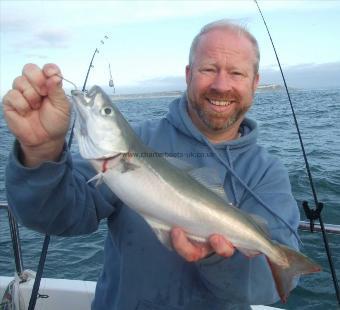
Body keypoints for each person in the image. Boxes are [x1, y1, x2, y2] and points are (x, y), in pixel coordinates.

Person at [3, 20, 300, 309]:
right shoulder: (140, 140)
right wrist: (42, 152)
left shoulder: (267, 172)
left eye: (236, 73)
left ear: (255, 82)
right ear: (188, 75)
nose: (221, 85)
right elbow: (57, 216)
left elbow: (267, 287)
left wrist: (217, 257)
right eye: (208, 69)